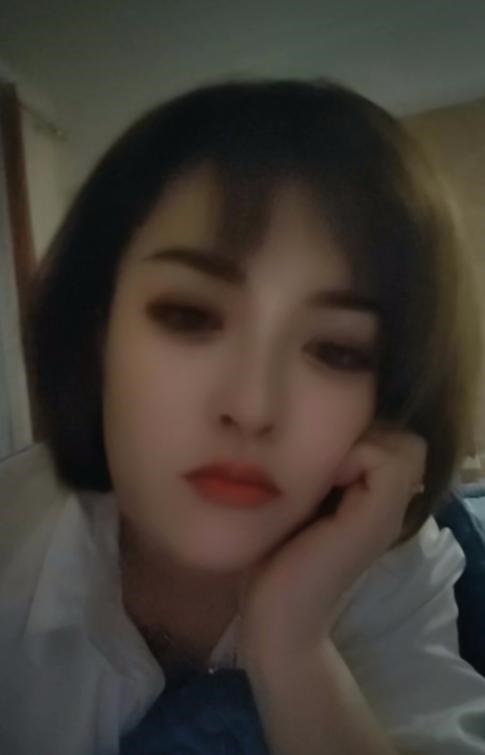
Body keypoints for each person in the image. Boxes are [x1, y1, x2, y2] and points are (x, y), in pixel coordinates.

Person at [1, 78, 484, 755]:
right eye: (189, 315)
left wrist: (293, 643)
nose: (253, 407)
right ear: (96, 330)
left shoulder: (397, 568)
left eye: (335, 350)